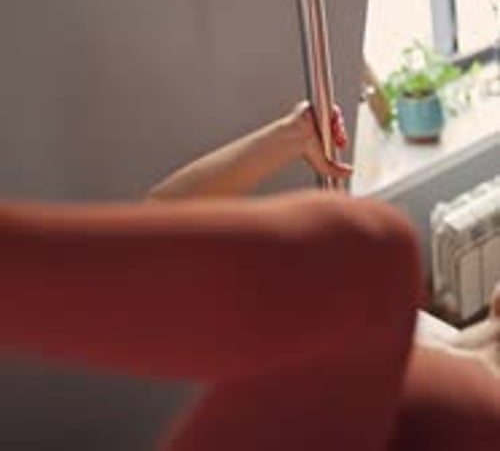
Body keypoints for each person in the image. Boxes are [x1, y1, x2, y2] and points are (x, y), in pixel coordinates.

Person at [0, 100, 498, 451]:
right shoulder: (396, 333)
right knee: (371, 262)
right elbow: (157, 219)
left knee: (376, 256)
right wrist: (289, 135)